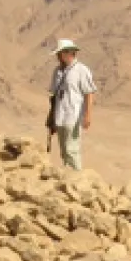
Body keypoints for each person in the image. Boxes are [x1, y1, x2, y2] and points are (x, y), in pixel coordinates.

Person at [46, 38, 97, 170]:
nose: (58, 57)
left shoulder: (81, 70)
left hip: (73, 116)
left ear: (67, 53)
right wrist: (51, 119)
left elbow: (89, 93)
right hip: (60, 116)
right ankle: (67, 177)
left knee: (71, 149)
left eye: (59, 54)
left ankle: (77, 178)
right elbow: (54, 95)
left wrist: (87, 115)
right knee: (64, 151)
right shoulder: (57, 71)